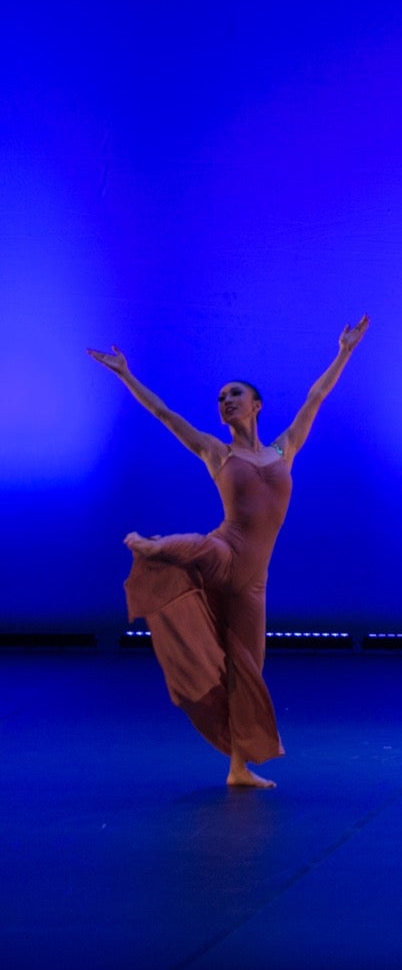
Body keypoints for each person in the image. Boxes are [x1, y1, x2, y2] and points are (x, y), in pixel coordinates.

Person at [86, 316, 369, 788]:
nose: (225, 401)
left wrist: (344, 351)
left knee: (249, 671)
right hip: (225, 551)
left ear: (255, 405)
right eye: (220, 399)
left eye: (233, 394)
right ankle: (154, 548)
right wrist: (126, 374)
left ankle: (239, 767)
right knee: (201, 547)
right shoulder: (219, 454)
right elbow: (165, 415)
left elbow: (315, 398)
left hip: (253, 584)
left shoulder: (283, 451)